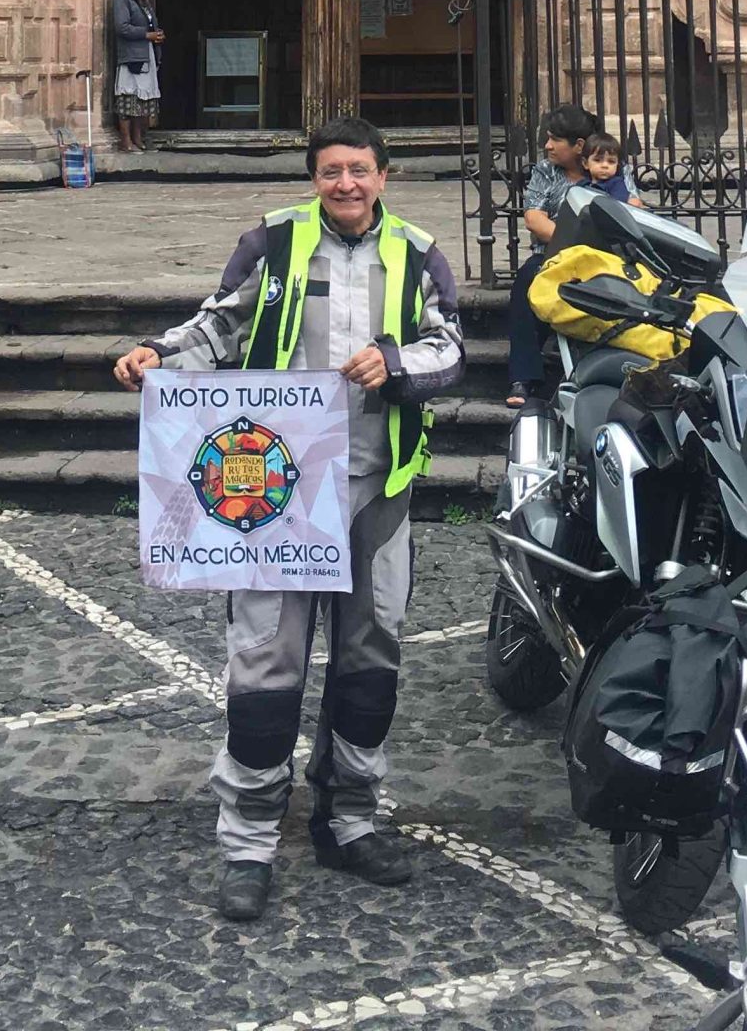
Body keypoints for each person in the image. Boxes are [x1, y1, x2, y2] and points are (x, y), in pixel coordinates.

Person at [112, 116, 464, 924]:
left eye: (360, 170)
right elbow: (218, 325)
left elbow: (450, 347)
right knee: (265, 661)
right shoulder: (271, 243)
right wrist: (157, 354)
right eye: (331, 171)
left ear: (385, 174)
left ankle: (351, 817)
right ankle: (248, 838)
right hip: (273, 495)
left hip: (376, 486)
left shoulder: (418, 252)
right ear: (314, 177)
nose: (346, 184)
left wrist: (398, 361)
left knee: (370, 658)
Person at [505, 102, 592, 408]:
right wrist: (578, 240)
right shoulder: (545, 172)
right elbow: (534, 218)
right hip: (552, 256)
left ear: (579, 145)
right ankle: (524, 377)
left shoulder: (608, 166)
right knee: (529, 280)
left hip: (600, 259)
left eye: (555, 139)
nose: (547, 145)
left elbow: (631, 207)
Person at [111, 0, 163, 152]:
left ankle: (138, 138)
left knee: (142, 100)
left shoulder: (143, 0)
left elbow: (149, 25)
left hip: (145, 53)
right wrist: (146, 34)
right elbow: (122, 27)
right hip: (132, 56)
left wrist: (156, 34)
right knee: (128, 98)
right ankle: (125, 141)